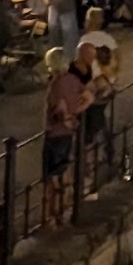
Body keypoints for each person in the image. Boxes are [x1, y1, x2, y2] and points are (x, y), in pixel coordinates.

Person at [40, 48, 87, 178]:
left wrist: (66, 118)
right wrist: (76, 111)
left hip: (55, 132)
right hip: (68, 133)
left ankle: (56, 197)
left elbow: (61, 106)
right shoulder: (73, 79)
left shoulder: (56, 83)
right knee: (65, 167)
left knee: (52, 175)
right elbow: (89, 96)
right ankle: (68, 195)